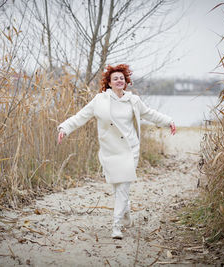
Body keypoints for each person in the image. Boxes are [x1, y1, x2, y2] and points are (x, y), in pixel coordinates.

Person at [57, 64, 176, 239]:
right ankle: (126, 214)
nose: (119, 80)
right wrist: (64, 128)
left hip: (129, 149)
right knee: (117, 187)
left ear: (125, 81)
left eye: (122, 78)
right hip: (110, 150)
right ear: (109, 83)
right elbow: (81, 116)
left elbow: (149, 113)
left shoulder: (133, 100)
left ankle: (116, 226)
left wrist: (168, 121)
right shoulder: (100, 100)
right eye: (115, 79)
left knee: (123, 187)